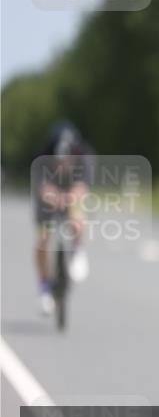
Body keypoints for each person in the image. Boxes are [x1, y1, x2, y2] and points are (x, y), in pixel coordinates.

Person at [32, 121, 95, 315]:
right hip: (48, 198)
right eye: (58, 161)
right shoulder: (41, 158)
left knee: (77, 214)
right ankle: (44, 288)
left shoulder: (85, 156)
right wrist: (52, 196)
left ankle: (77, 249)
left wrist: (70, 197)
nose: (63, 165)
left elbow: (84, 186)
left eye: (67, 161)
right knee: (43, 240)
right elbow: (41, 187)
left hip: (71, 192)